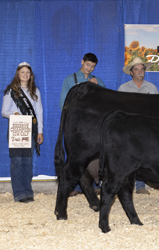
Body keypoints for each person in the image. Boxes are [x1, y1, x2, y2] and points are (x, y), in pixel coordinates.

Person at [60, 53, 105, 196]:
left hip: (92, 126)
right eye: (87, 64)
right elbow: (63, 103)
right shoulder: (70, 79)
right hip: (75, 126)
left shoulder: (98, 81)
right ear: (82, 62)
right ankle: (74, 187)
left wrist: (98, 88)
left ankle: (90, 186)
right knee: (74, 156)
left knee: (92, 155)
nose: (89, 68)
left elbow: (105, 103)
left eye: (92, 66)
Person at [1, 62, 44, 203]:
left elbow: (39, 112)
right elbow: (3, 112)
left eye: (28, 72)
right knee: (17, 161)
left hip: (30, 129)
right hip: (16, 128)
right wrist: (15, 113)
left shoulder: (35, 91)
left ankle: (27, 191)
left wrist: (40, 131)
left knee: (27, 161)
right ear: (18, 74)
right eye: (22, 72)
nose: (25, 75)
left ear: (30, 75)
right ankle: (19, 193)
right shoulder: (11, 91)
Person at [119, 57, 158, 195]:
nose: (140, 72)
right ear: (131, 72)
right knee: (128, 156)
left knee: (145, 156)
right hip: (129, 129)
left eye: (142, 69)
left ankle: (141, 185)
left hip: (147, 129)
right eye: (136, 69)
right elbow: (119, 110)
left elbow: (158, 110)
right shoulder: (123, 89)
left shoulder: (152, 88)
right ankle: (126, 185)